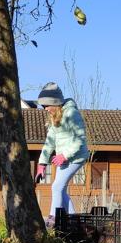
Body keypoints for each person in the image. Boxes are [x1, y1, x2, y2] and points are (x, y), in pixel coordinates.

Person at [34, 82, 90, 227]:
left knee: (56, 187)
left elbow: (79, 140)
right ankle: (73, 221)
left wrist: (64, 155)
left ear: (55, 102)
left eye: (46, 106)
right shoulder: (55, 118)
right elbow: (49, 142)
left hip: (76, 157)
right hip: (65, 158)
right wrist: (42, 164)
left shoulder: (72, 113)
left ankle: (53, 218)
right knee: (60, 189)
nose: (45, 109)